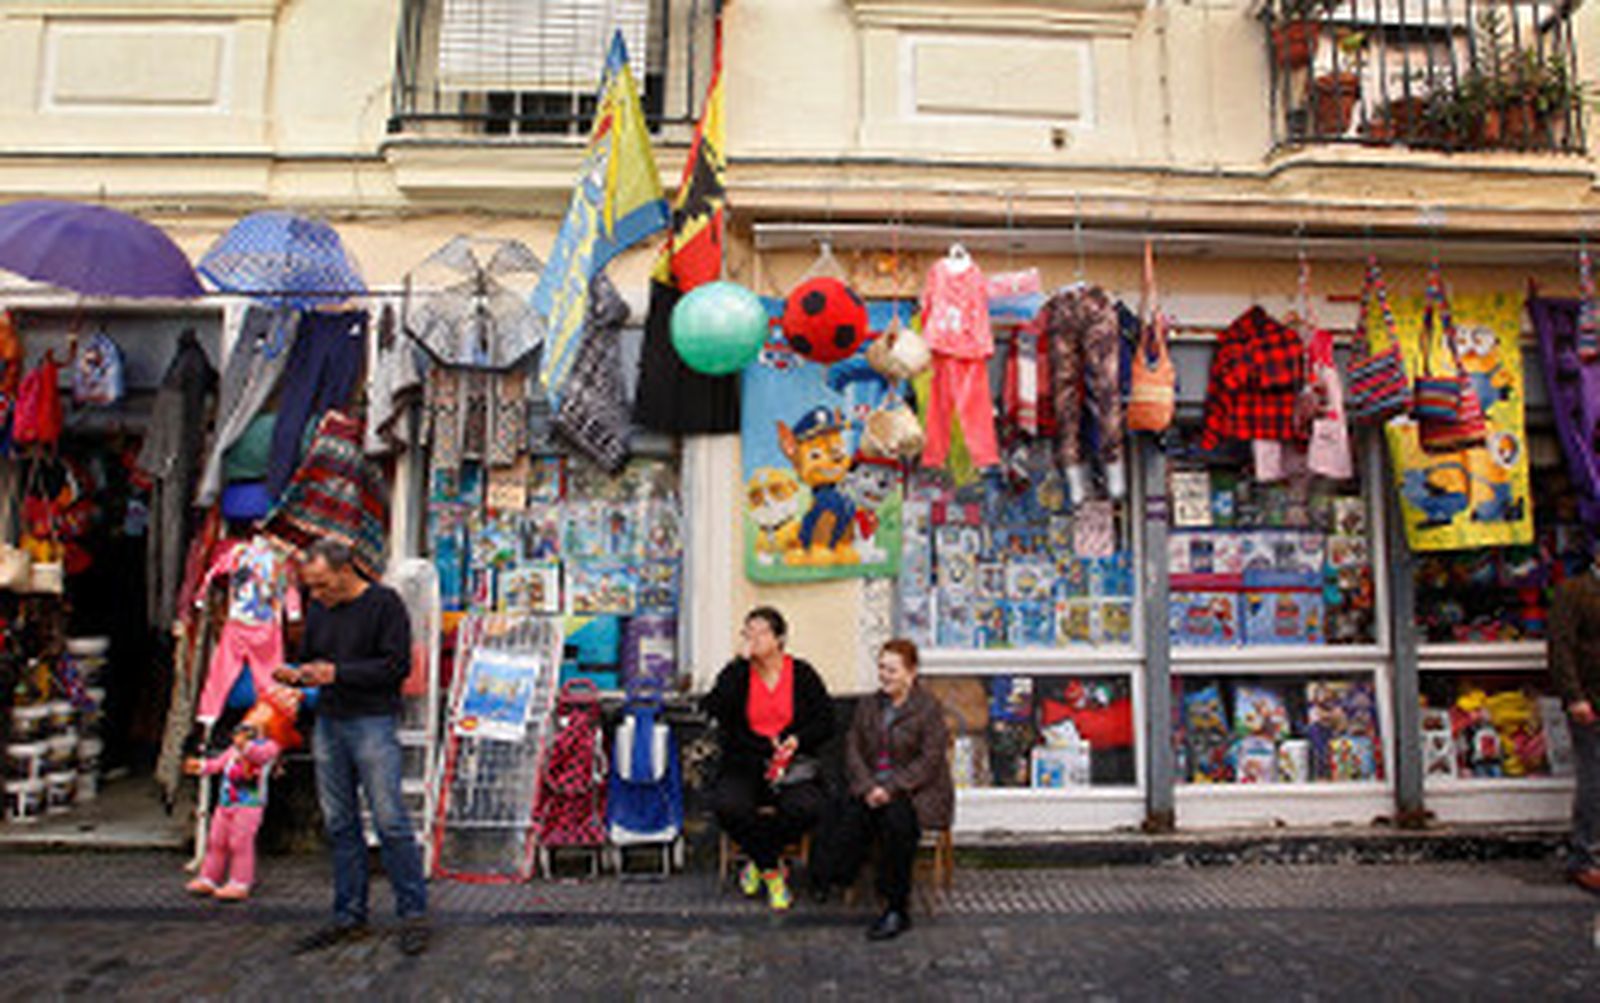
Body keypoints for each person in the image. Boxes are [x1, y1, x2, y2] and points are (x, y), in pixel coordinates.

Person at [273, 538, 429, 955]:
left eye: (322, 585)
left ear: (346, 571)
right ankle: (349, 915)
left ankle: (413, 913)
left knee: (390, 819)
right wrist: (297, 676)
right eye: (311, 588)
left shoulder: (384, 603)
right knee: (340, 823)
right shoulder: (321, 608)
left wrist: (338, 673)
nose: (317, 595)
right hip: (330, 720)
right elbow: (312, 660)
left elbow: (396, 666)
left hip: (372, 720)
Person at [702, 606, 833, 911]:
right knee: (728, 805)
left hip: (791, 765)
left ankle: (758, 857)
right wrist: (738, 664)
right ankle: (773, 871)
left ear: (779, 638)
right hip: (745, 763)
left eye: (760, 631)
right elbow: (714, 708)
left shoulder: (801, 673)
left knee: (807, 807)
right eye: (748, 631)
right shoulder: (737, 673)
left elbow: (825, 720)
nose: (753, 638)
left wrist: (796, 740)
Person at [824, 638, 952, 940]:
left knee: (896, 822)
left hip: (916, 792)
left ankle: (897, 908)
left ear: (911, 673)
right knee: (846, 811)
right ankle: (835, 876)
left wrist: (891, 787)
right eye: (881, 668)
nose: (884, 676)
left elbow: (930, 759)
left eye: (892, 670)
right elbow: (853, 747)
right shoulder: (869, 704)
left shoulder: (927, 708)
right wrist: (869, 785)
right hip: (873, 787)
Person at [1551, 539, 1600, 892]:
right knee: (1595, 780)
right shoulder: (1574, 592)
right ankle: (1585, 856)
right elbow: (1561, 647)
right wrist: (1574, 697)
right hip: (1591, 699)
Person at [183, 721, 279, 901]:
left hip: (249, 804)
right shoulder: (233, 750)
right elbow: (218, 764)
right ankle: (209, 877)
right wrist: (201, 766)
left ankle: (240, 881)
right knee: (216, 840)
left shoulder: (269, 747)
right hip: (226, 802)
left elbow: (260, 756)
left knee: (240, 843)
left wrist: (247, 746)